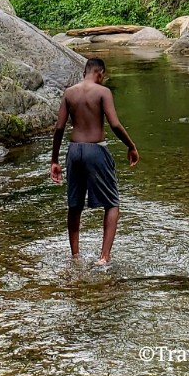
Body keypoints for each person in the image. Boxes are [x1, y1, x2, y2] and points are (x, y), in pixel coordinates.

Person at [50, 57, 139, 266]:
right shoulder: (103, 92)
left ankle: (75, 256)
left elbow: (59, 128)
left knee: (74, 204)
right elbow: (115, 124)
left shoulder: (69, 93)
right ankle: (104, 258)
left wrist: (54, 159)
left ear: (85, 72)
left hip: (74, 151)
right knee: (112, 203)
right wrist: (131, 145)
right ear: (100, 73)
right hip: (96, 150)